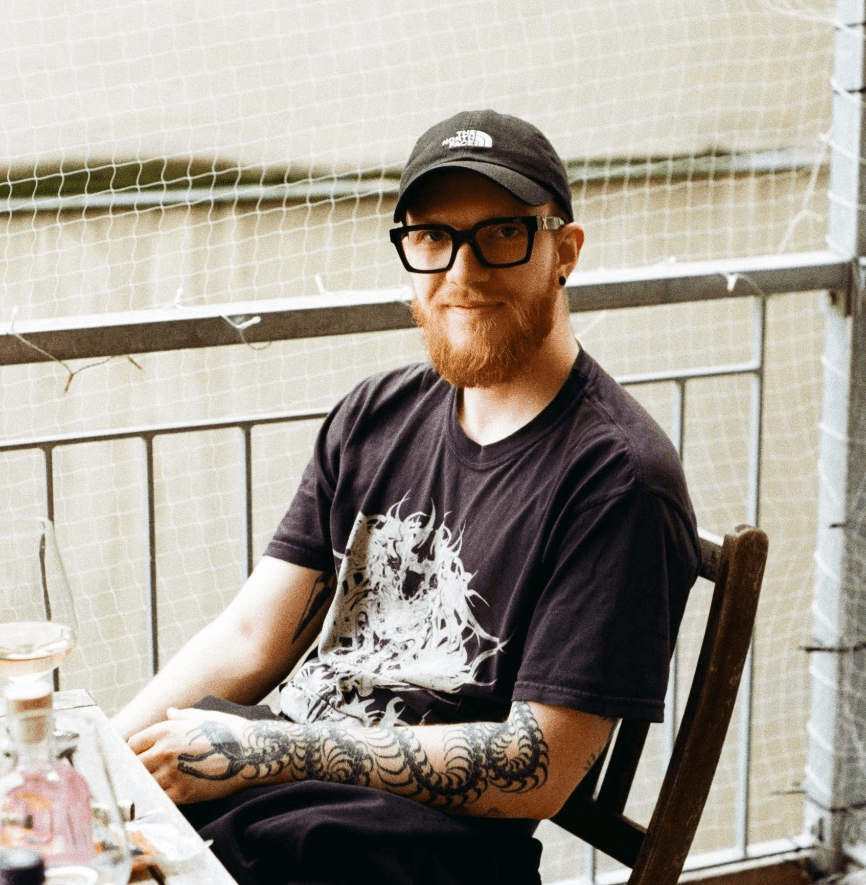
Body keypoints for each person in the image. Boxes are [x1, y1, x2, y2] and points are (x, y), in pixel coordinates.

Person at [113, 109, 700, 885]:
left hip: (408, 851)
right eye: (432, 237)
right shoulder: (376, 413)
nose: (462, 273)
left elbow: (541, 762)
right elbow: (254, 634)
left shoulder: (618, 480)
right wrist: (92, 762)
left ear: (564, 250)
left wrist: (269, 751)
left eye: (501, 234)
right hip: (283, 794)